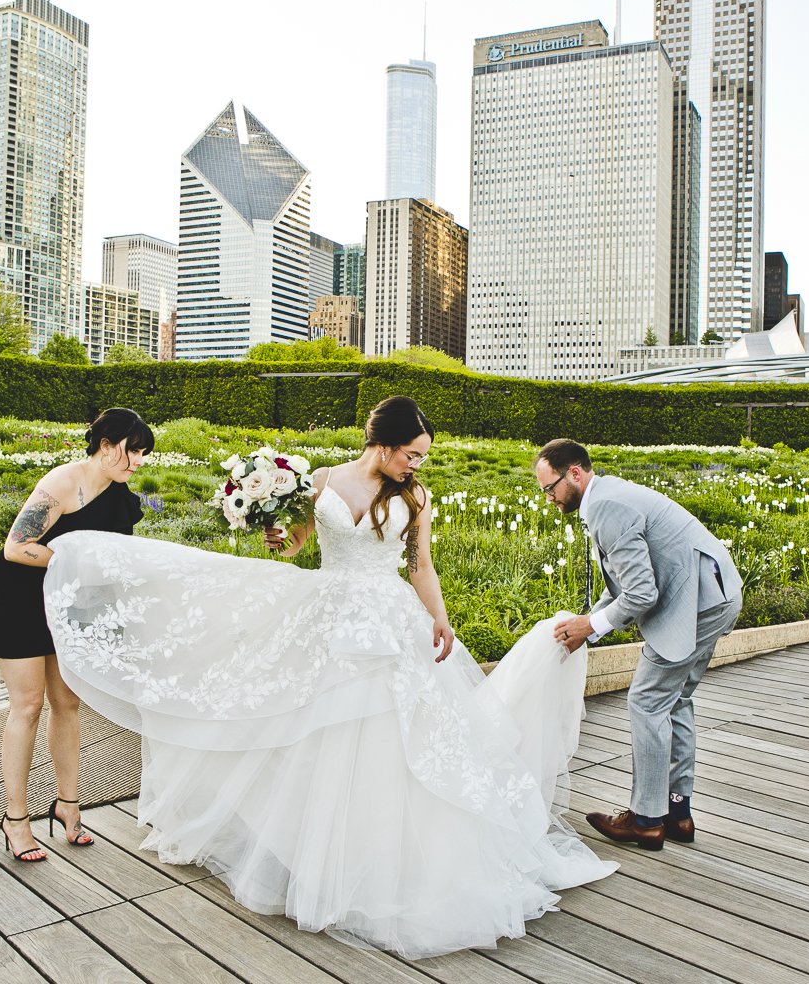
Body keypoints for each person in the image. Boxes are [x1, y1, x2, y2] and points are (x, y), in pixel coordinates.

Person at [42, 396, 615, 958]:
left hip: (389, 625)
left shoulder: (416, 495)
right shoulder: (320, 481)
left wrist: (439, 619)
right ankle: (313, 856)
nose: (418, 464)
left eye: (423, 456)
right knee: (312, 732)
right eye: (412, 454)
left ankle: (385, 862)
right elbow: (296, 545)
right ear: (384, 445)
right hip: (329, 615)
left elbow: (420, 565)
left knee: (399, 739)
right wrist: (274, 534)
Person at [535, 438, 743, 850]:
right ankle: (678, 813)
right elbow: (627, 584)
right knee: (674, 701)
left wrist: (590, 627)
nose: (549, 499)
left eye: (550, 488)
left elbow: (642, 595)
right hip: (715, 594)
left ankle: (647, 820)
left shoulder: (606, 507)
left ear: (574, 473)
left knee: (646, 702)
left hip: (696, 604)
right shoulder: (609, 497)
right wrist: (588, 628)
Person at [0, 407, 153, 862]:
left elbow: (114, 561)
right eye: (132, 451)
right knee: (28, 705)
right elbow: (16, 549)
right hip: (16, 600)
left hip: (67, 603)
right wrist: (73, 562)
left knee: (68, 702)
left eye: (142, 455)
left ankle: (68, 807)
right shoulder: (62, 483)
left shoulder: (119, 494)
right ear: (105, 445)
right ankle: (15, 819)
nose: (138, 461)